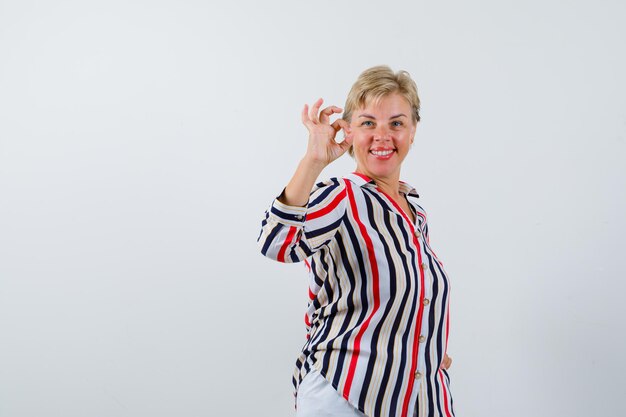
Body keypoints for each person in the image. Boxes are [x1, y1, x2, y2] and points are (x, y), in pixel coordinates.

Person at [257, 66, 455, 417]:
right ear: (347, 130)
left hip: (415, 400)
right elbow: (277, 243)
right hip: (346, 396)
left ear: (413, 130)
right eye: (367, 123)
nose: (383, 136)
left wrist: (425, 352)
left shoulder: (415, 212)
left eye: (396, 123)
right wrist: (313, 161)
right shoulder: (343, 195)